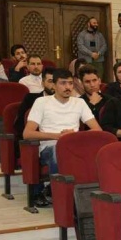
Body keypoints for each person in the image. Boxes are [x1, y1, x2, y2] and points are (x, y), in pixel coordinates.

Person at [24, 69, 101, 207]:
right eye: (63, 83)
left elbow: (97, 130)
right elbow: (28, 133)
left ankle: (88, 197)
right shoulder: (41, 102)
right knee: (58, 150)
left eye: (70, 83)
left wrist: (74, 136)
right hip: (50, 147)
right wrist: (58, 136)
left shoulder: (79, 102)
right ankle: (61, 197)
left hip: (75, 146)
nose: (68, 87)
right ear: (54, 85)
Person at [15, 67, 56, 138]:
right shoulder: (30, 99)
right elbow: (19, 124)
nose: (54, 85)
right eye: (50, 81)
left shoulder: (65, 100)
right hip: (37, 140)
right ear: (43, 83)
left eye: (56, 81)